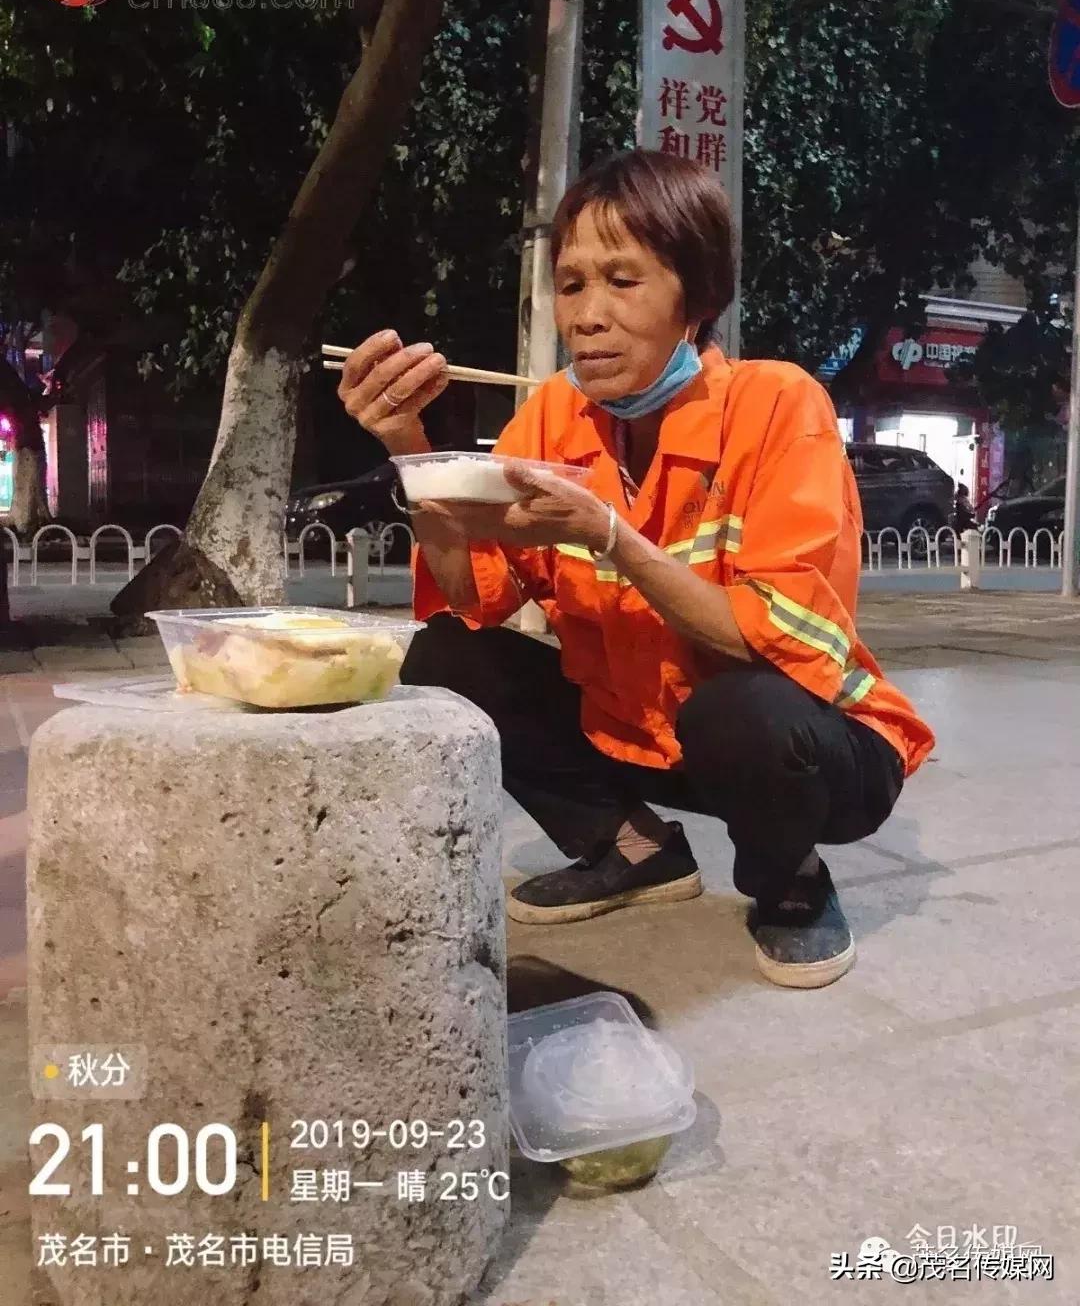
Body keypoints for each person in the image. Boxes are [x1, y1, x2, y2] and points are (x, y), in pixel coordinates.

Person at [337, 150, 934, 990]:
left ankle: (786, 874)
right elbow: (473, 594)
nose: (587, 316)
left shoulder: (777, 403)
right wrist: (408, 446)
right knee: (443, 657)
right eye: (573, 284)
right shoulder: (551, 414)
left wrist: (612, 536)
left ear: (693, 299)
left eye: (624, 281)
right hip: (638, 731)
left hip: (806, 740)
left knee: (745, 712)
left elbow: (783, 647)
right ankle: (633, 848)